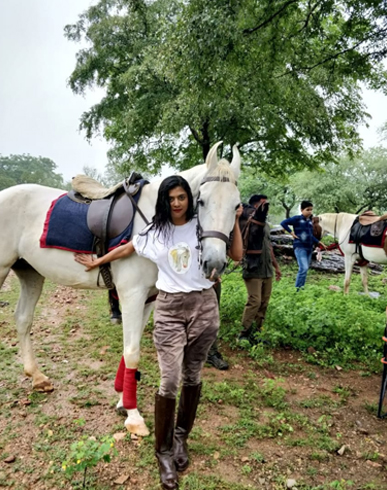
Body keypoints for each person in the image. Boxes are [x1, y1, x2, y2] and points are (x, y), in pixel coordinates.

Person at [74, 175, 243, 490]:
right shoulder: (156, 230)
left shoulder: (201, 225)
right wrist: (98, 261)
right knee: (169, 380)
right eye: (172, 198)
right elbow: (127, 248)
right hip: (169, 309)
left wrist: (233, 219)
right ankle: (163, 452)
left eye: (182, 197)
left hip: (204, 307)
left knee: (193, 376)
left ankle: (180, 440)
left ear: (189, 199)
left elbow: (235, 255)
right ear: (165, 201)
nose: (177, 203)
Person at [238, 194, 281, 344]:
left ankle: (257, 333)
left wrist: (276, 266)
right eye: (263, 204)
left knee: (264, 302)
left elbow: (269, 246)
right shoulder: (246, 223)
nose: (266, 207)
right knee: (254, 301)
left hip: (267, 268)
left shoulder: (265, 225)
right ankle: (244, 333)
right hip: (253, 267)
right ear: (255, 206)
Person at [280, 200, 325, 289]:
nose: (310, 212)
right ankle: (297, 289)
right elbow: (283, 223)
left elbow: (310, 235)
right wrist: (291, 232)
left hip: (309, 248)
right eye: (307, 209)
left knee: (305, 269)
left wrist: (319, 242)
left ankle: (301, 288)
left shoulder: (309, 222)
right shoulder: (297, 219)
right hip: (300, 247)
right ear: (301, 210)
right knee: (303, 268)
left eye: (311, 210)